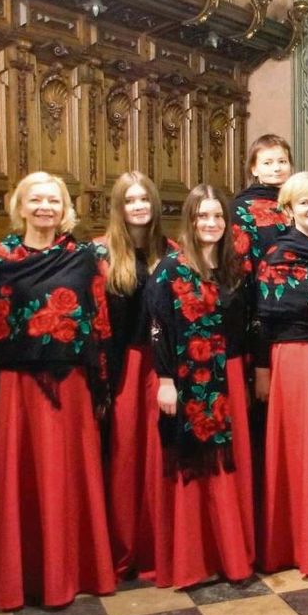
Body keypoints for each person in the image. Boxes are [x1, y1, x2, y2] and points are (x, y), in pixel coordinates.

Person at [0, 172, 115, 610]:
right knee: (26, 481)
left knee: (70, 477)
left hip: (71, 384)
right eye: (35, 200)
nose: (44, 207)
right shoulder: (0, 258)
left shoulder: (83, 257)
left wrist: (102, 387)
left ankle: (75, 572)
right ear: (20, 206)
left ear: (64, 208)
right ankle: (23, 578)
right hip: (18, 386)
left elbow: (99, 322)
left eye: (53, 200)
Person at [145, 185, 255, 588]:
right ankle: (192, 560)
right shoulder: (171, 268)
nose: (211, 223)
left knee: (227, 466)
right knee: (192, 467)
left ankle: (229, 555)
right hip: (186, 382)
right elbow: (157, 328)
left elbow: (244, 327)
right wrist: (165, 380)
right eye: (202, 216)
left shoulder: (233, 268)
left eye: (217, 217)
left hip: (228, 380)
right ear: (190, 221)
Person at [254, 172, 308, 576]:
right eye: (303, 203)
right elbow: (267, 318)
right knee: (300, 447)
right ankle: (298, 542)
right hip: (294, 356)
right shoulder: (277, 254)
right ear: (288, 210)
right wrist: (263, 369)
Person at [95, 172, 174, 580]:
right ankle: (125, 548)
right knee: (127, 456)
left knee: (162, 455)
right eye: (130, 200)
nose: (139, 205)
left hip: (164, 368)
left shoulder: (173, 251)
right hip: (126, 366)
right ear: (119, 207)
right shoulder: (104, 255)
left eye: (145, 198)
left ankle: (161, 546)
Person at [231, 134, 294, 275]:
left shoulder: (300, 202)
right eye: (268, 163)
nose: (277, 168)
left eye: (282, 161)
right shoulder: (241, 207)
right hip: (260, 285)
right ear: (254, 169)